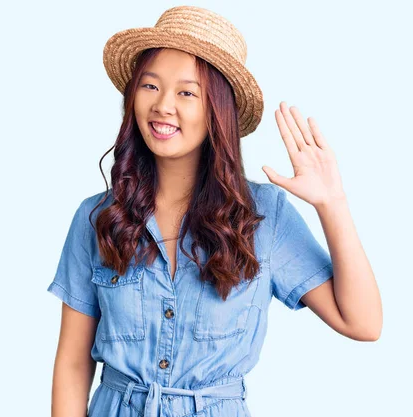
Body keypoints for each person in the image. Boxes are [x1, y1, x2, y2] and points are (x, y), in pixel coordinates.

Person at [47, 5, 381, 417]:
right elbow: (73, 362)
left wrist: (332, 203)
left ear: (217, 111)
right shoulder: (97, 216)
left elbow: (363, 323)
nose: (164, 105)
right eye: (150, 86)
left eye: (187, 92)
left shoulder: (264, 216)